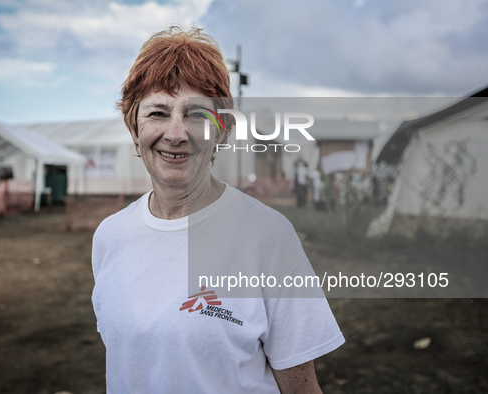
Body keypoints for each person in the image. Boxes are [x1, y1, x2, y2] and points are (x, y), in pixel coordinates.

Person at [91, 26, 344, 393]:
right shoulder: (109, 237)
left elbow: (301, 389)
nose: (176, 133)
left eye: (197, 116)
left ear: (222, 131)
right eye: (158, 113)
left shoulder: (267, 236)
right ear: (134, 125)